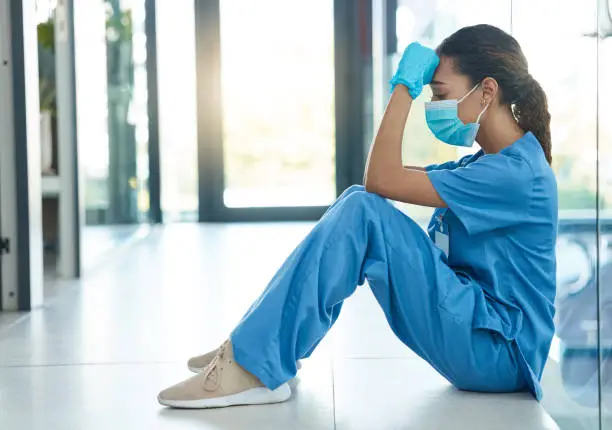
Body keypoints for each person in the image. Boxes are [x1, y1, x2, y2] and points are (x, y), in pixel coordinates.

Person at [157, 24, 557, 409]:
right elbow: (386, 180)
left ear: (487, 90)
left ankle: (257, 364)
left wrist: (404, 88)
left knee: (362, 209)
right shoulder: (484, 166)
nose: (434, 107)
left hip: (499, 354)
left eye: (439, 94)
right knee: (358, 202)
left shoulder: (515, 175)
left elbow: (380, 179)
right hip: (480, 334)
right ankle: (263, 350)